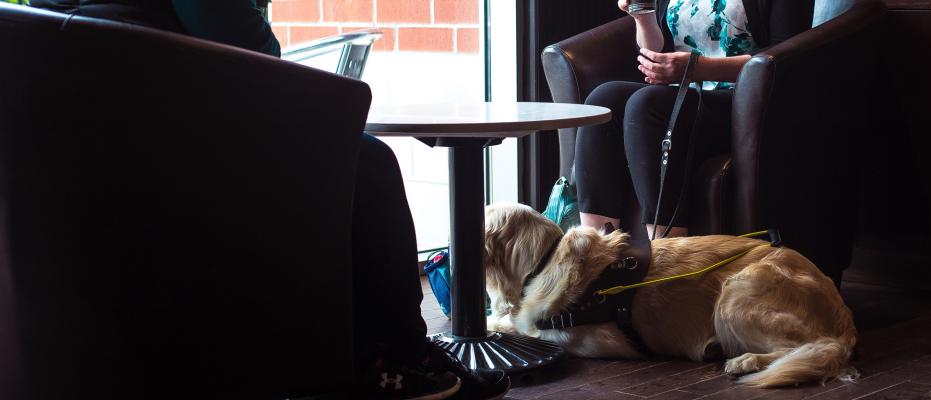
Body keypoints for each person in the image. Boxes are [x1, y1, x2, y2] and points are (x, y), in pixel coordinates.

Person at [26, 1, 508, 399]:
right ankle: (400, 356)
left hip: (90, 151)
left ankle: (380, 353)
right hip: (167, 142)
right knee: (367, 162)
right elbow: (253, 52)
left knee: (353, 156)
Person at [575, 0, 813, 238]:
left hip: (746, 103)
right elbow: (658, 49)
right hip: (684, 93)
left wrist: (700, 69)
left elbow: (786, 55)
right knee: (604, 101)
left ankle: (669, 258)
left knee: (647, 106)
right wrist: (642, 16)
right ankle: (596, 253)